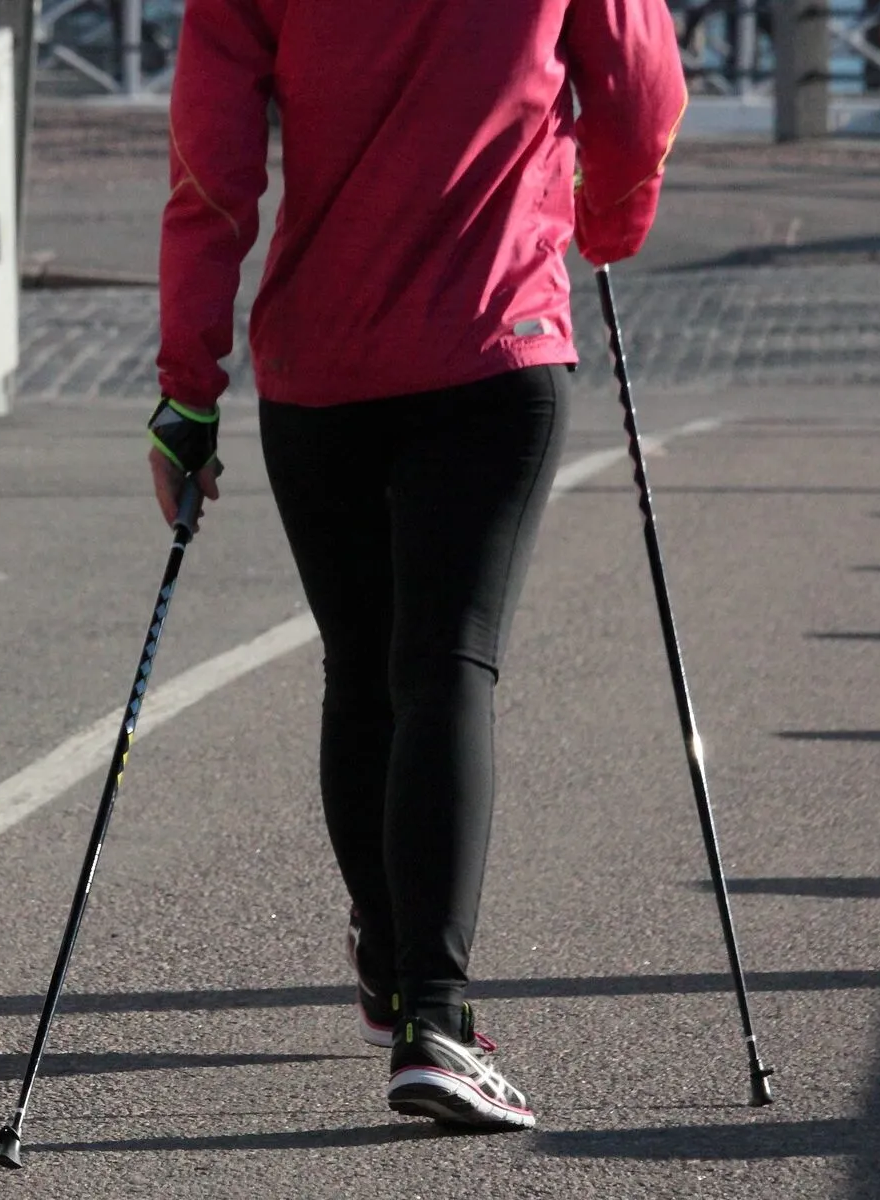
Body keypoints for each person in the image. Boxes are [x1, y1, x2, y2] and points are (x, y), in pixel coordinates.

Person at [146, 0, 685, 1130]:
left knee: (363, 667)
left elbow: (213, 157)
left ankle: (395, 967)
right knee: (444, 666)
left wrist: (188, 384)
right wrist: (608, 222)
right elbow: (641, 94)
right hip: (495, 342)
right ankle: (434, 1019)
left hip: (319, 360)